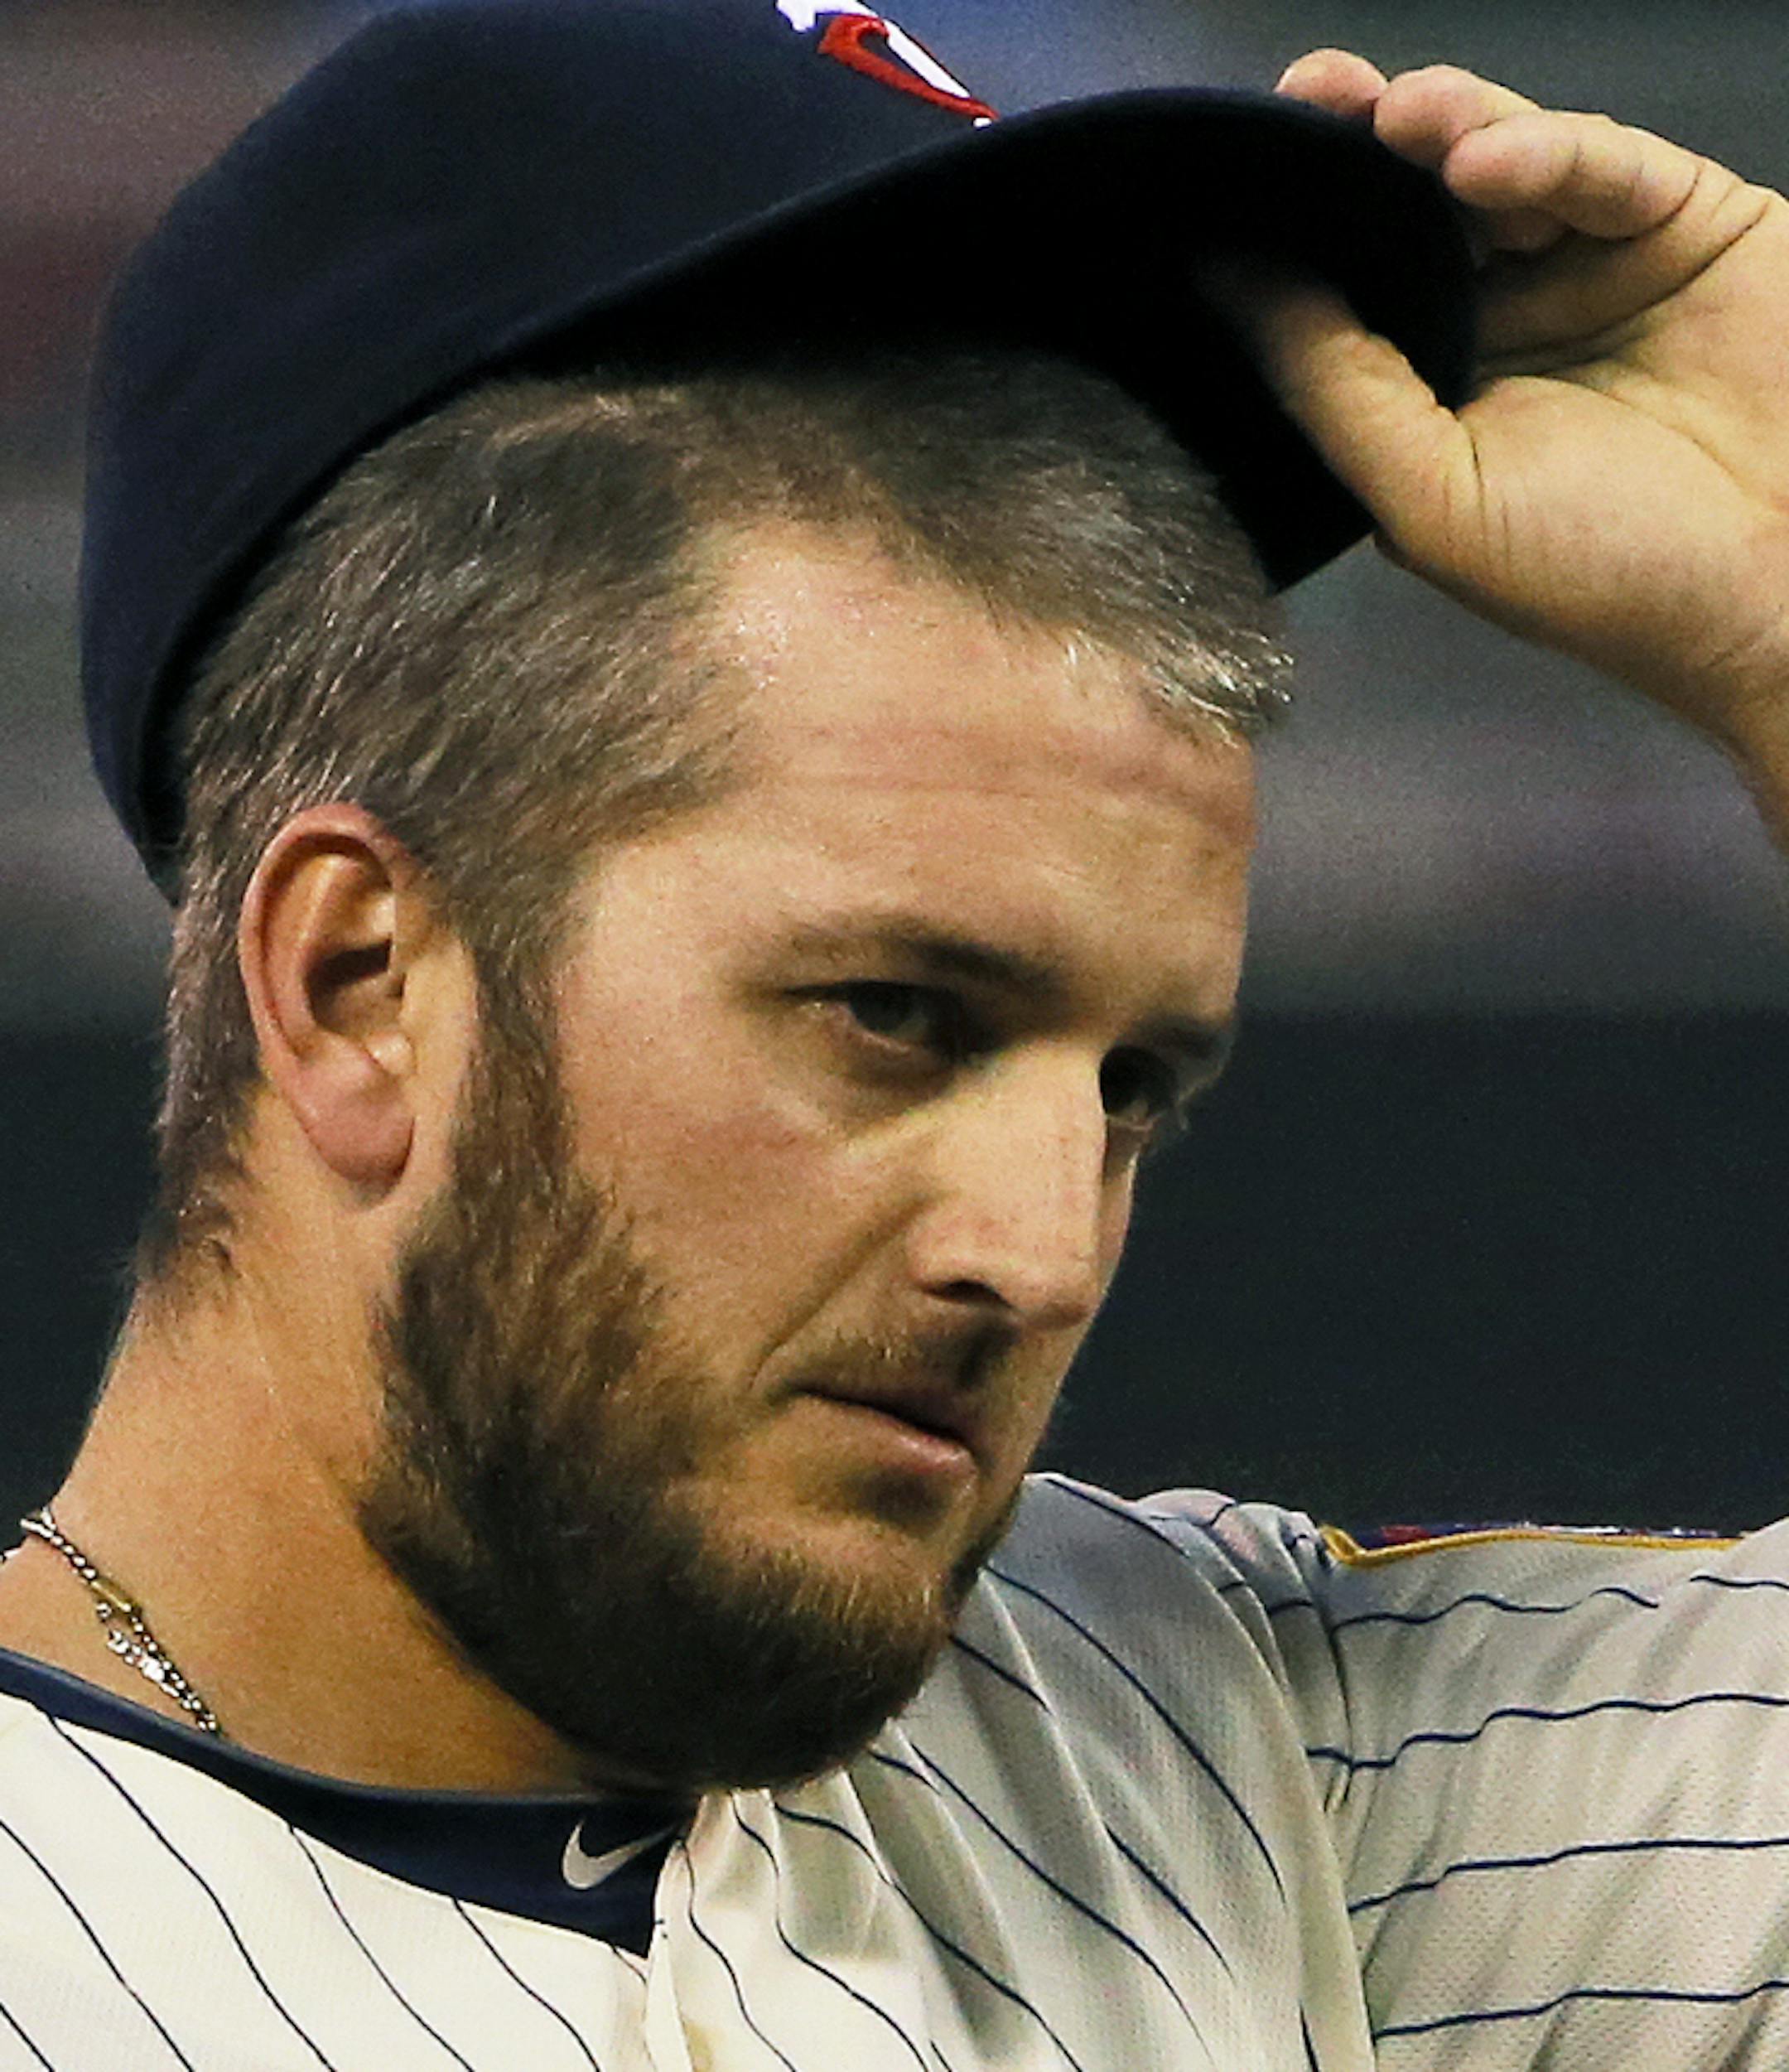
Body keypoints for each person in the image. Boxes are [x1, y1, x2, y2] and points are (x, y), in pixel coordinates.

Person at [2, 5, 1787, 2066]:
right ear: (357, 984)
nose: (1044, 1255)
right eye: (894, 1018)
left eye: (1136, 1090)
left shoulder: (1239, 1767)